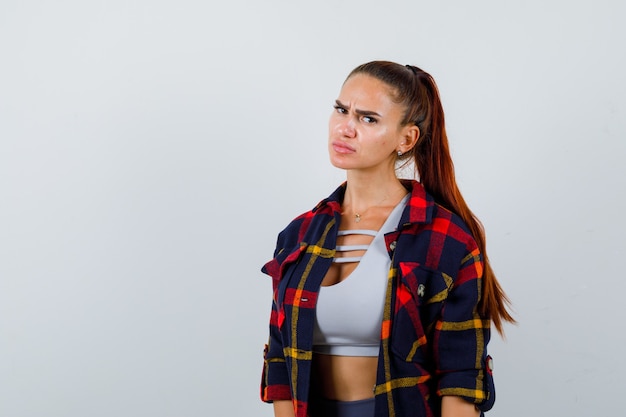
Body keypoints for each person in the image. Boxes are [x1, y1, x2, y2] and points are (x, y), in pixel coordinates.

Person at [260, 61, 515, 417]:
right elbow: (280, 362)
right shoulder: (299, 235)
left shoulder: (445, 239)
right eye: (341, 110)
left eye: (368, 119)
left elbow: (460, 380)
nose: (345, 128)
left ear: (406, 138)